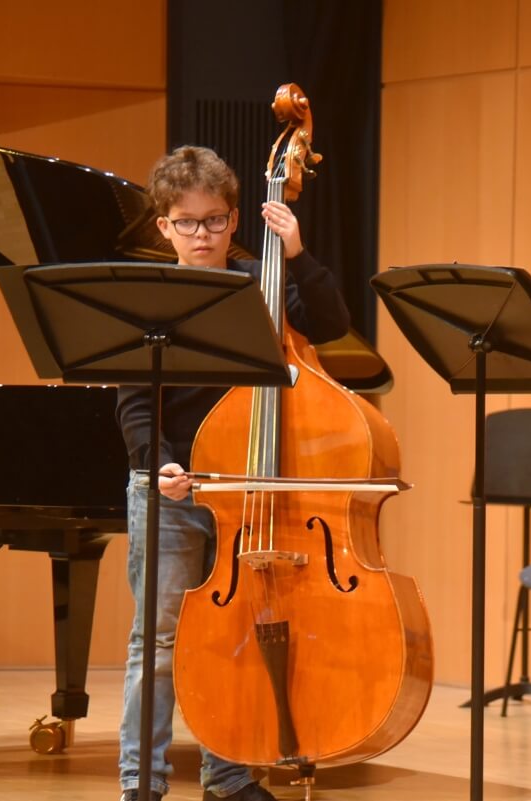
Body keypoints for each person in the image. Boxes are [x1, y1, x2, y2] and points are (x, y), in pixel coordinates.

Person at [115, 145, 350, 801]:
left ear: (235, 217)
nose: (202, 235)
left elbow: (332, 323)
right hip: (169, 487)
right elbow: (135, 401)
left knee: (237, 635)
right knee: (157, 644)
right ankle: (142, 782)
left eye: (215, 220)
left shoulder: (262, 283)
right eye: (186, 222)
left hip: (248, 488)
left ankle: (229, 773)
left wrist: (297, 251)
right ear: (162, 225)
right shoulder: (146, 298)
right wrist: (157, 463)